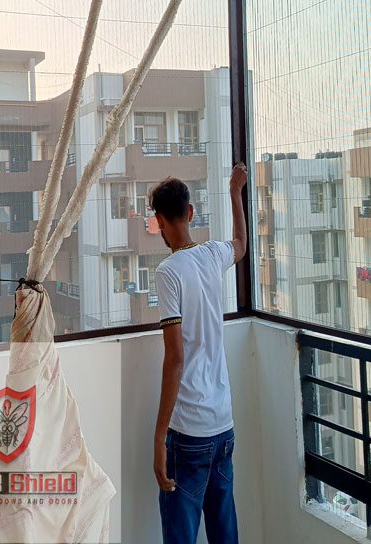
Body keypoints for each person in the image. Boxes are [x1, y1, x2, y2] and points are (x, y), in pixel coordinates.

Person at [149, 164, 248, 544]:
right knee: (225, 533)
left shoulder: (169, 271)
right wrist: (234, 193)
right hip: (223, 426)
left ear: (158, 221)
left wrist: (159, 439)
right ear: (190, 213)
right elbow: (240, 245)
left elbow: (175, 357)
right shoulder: (211, 255)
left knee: (180, 536)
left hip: (188, 432)